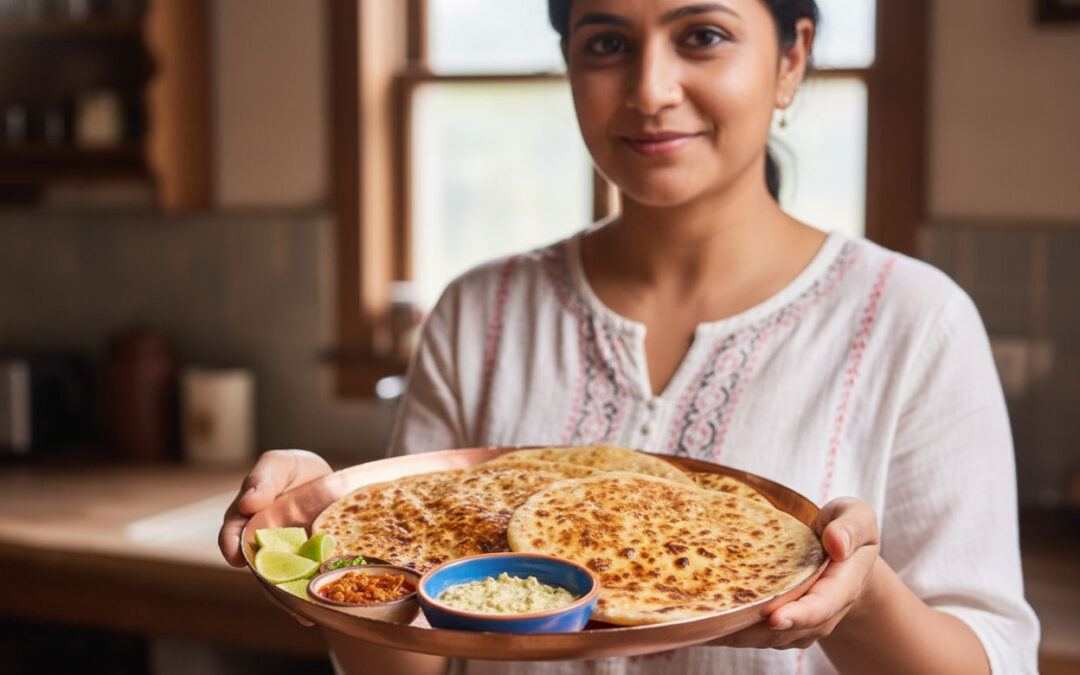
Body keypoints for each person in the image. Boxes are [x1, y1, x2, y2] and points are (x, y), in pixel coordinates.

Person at [219, 0, 1040, 673]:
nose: (649, 89)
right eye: (607, 42)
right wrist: (332, 543)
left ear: (792, 57)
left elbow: (990, 654)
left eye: (703, 36)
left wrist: (856, 600)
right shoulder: (479, 312)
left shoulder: (914, 320)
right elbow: (413, 661)